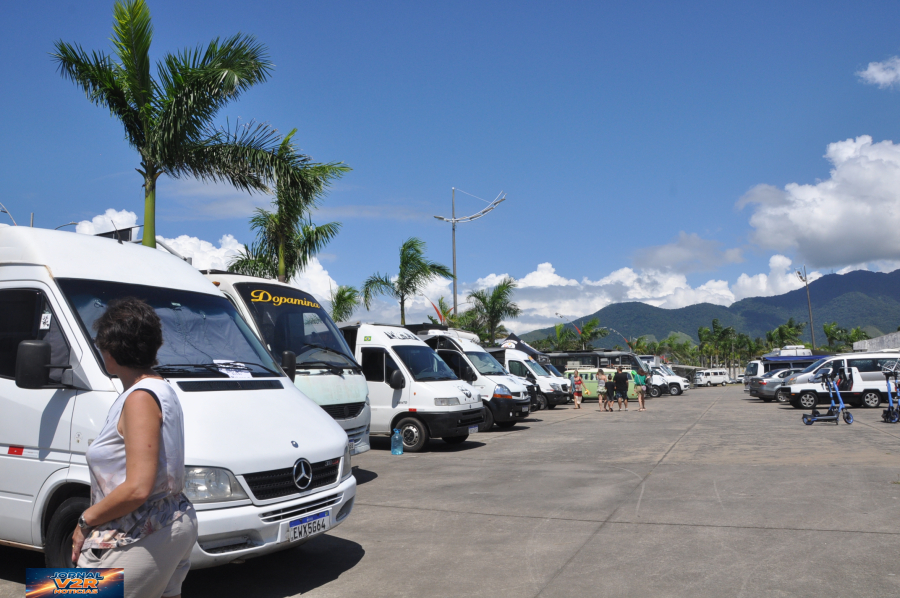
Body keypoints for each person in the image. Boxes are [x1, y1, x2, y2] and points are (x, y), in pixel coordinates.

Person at [73, 298, 198, 598]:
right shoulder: (161, 387)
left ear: (112, 351)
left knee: (60, 591)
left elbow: (138, 488)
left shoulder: (140, 397)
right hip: (170, 522)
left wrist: (84, 521)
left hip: (138, 532)